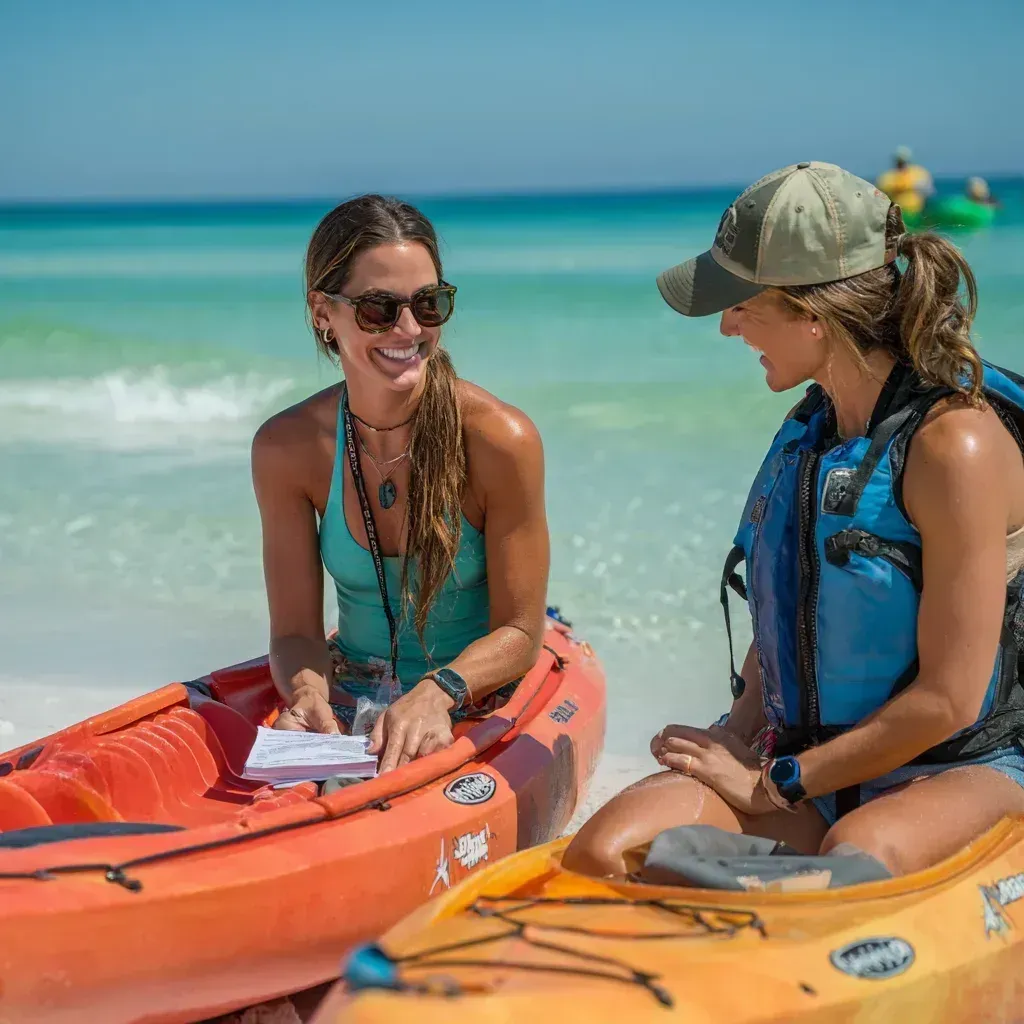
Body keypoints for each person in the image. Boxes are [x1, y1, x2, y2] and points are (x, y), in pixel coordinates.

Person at [564, 161, 1024, 879]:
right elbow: (799, 607)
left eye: (743, 304)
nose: (727, 326)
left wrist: (775, 783)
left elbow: (948, 700)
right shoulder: (815, 431)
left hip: (953, 770)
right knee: (606, 849)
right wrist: (734, 736)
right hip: (809, 771)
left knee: (850, 863)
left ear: (815, 313)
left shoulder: (954, 445)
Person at [252, 195, 549, 773]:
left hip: (477, 692)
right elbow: (294, 633)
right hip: (355, 692)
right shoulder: (286, 449)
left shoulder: (499, 439)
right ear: (322, 311)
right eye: (379, 309)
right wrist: (308, 694)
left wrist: (439, 692)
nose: (410, 329)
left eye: (429, 304)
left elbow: (520, 632)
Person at [876, 145, 934, 216]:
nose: (902, 164)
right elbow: (880, 194)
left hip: (916, 212)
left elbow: (929, 191)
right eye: (900, 162)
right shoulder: (887, 177)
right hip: (896, 213)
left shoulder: (919, 173)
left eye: (903, 162)